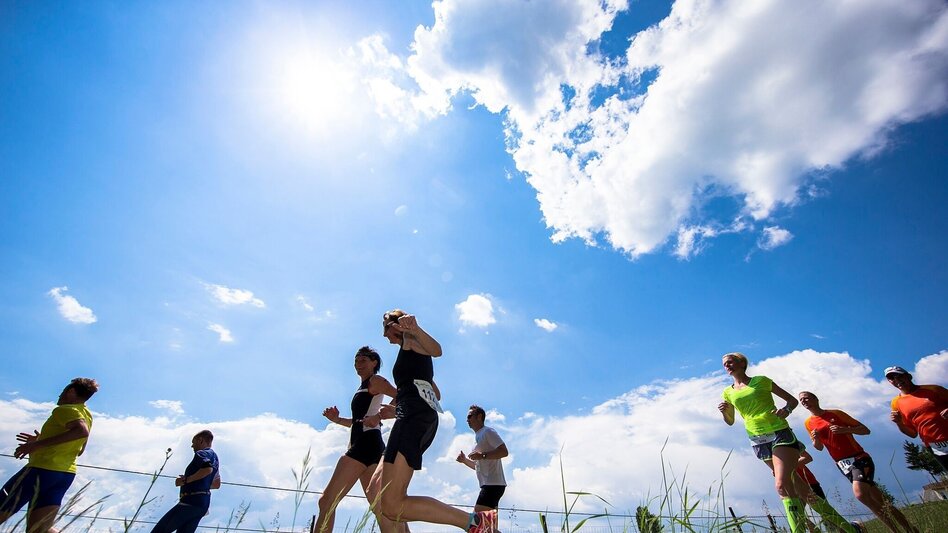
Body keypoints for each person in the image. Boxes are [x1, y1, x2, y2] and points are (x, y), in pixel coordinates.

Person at [377, 309, 497, 533]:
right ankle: (478, 524)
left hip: (412, 418)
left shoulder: (411, 340)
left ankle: (477, 523)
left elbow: (437, 350)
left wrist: (414, 329)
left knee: (391, 505)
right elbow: (435, 393)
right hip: (418, 417)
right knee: (390, 503)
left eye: (385, 327)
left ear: (397, 324)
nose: (384, 335)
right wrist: (398, 407)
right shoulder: (411, 351)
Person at [717, 353, 854, 533]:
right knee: (804, 492)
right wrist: (724, 412)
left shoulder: (761, 381)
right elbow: (730, 421)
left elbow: (791, 400)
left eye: (730, 362)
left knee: (781, 486)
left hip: (779, 432)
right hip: (757, 440)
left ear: (742, 363)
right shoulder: (727, 392)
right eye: (724, 364)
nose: (727, 365)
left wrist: (786, 410)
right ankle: (850, 530)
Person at [799, 391, 918, 533]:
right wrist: (816, 439)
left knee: (860, 494)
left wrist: (844, 430)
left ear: (815, 398)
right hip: (842, 464)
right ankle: (910, 529)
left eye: (806, 398)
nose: (804, 401)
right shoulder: (808, 423)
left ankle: (895, 531)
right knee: (881, 501)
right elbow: (818, 448)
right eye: (801, 400)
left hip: (859, 458)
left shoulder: (836, 413)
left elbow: (865, 430)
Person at [314, 346, 397, 533]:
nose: (358, 364)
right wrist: (336, 420)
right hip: (368, 444)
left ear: (374, 363)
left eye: (363, 361)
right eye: (356, 361)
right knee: (381, 507)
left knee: (327, 501)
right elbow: (359, 422)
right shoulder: (363, 387)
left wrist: (381, 416)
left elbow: (403, 397)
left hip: (365, 445)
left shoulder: (375, 381)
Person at [0, 378, 98, 533]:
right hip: (65, 475)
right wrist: (42, 439)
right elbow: (80, 449)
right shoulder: (86, 414)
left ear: (71, 392)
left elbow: (81, 431)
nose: (59, 395)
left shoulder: (66, 410)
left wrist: (36, 445)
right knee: (39, 529)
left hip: (42, 470)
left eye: (62, 391)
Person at [151, 430, 221, 533]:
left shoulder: (201, 453)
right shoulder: (215, 458)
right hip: (203, 504)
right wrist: (198, 482)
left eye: (193, 442)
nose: (192, 446)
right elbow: (216, 484)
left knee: (159, 531)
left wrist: (187, 480)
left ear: (200, 440)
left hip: (190, 502)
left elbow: (207, 469)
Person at [885, 366, 948, 472]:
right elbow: (912, 434)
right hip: (935, 446)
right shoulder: (896, 403)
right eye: (892, 379)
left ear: (908, 376)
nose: (897, 380)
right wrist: (899, 423)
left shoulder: (933, 389)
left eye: (899, 376)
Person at [455, 405, 509, 512]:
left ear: (479, 417)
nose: (467, 420)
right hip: (490, 485)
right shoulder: (478, 437)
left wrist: (482, 455)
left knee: (477, 523)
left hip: (492, 485)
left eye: (469, 416)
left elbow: (504, 451)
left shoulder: (488, 432)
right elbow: (478, 466)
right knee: (488, 528)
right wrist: (464, 460)